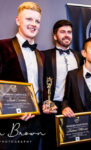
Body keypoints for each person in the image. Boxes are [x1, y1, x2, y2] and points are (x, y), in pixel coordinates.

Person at [0, 2, 44, 150]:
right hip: (9, 123)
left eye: (37, 21)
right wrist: (9, 113)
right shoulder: (2, 47)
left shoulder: (41, 55)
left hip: (36, 122)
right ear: (18, 20)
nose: (34, 24)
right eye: (29, 19)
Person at [42, 20, 82, 150]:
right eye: (62, 32)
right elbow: (39, 82)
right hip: (53, 107)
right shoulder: (44, 55)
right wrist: (45, 102)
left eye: (69, 32)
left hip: (75, 108)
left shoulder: (79, 56)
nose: (66, 35)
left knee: (74, 143)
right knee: (52, 144)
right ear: (55, 36)